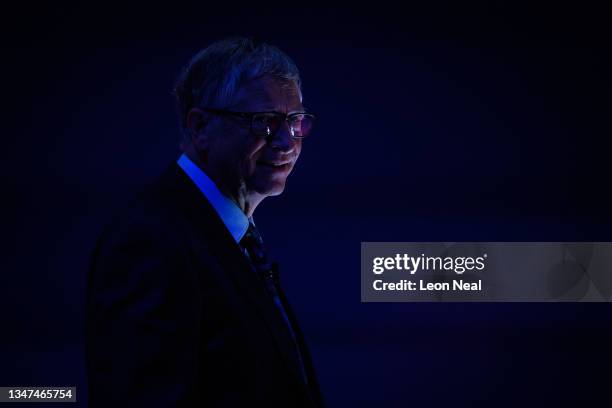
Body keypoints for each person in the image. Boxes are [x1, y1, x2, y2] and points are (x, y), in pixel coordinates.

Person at [85, 37, 324, 407]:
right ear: (199, 127)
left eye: (295, 122)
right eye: (263, 122)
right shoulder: (150, 241)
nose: (285, 143)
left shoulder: (227, 235)